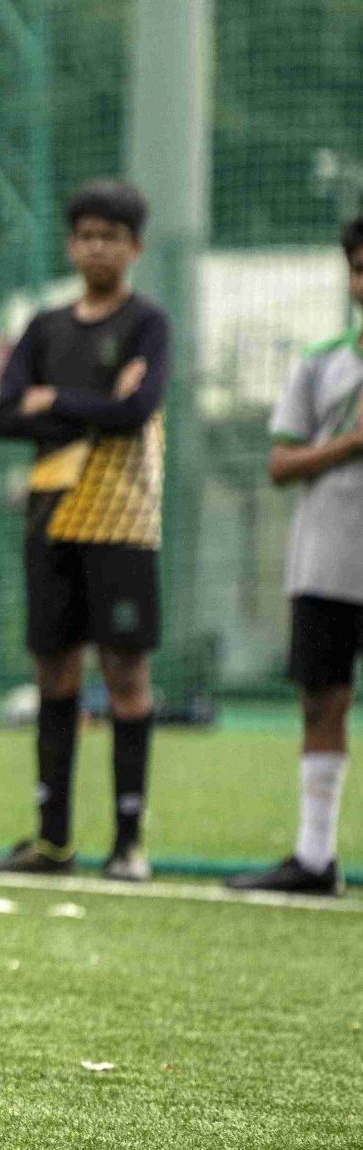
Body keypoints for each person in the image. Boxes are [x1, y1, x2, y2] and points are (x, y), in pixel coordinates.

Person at [0, 181, 169, 882]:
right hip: (51, 517)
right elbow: (3, 416)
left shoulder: (149, 323)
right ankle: (52, 840)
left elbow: (138, 409)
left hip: (122, 521)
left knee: (125, 673)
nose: (97, 246)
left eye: (110, 235)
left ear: (134, 247)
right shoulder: (46, 326)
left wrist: (54, 400)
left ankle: (128, 845)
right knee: (54, 670)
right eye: (86, 234)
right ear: (71, 243)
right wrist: (95, 404)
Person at [228, 216, 363, 896]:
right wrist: (349, 443)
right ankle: (315, 858)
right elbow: (281, 463)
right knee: (321, 700)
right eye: (360, 266)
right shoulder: (322, 362)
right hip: (329, 560)